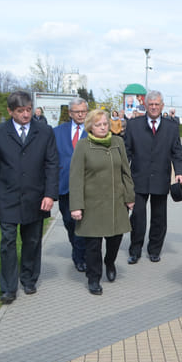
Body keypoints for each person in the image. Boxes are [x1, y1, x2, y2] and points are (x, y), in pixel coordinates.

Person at [0, 90, 58, 304]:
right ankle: (8, 287)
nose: (26, 115)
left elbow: (52, 164)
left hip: (36, 197)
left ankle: (29, 278)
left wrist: (50, 194)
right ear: (10, 111)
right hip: (8, 197)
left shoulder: (44, 131)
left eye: (28, 110)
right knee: (7, 242)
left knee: (32, 240)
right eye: (20, 111)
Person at [69, 110, 135, 295]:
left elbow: (125, 172)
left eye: (105, 124)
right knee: (93, 245)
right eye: (98, 125)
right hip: (92, 205)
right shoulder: (83, 146)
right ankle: (94, 278)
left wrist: (130, 197)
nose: (103, 127)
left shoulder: (118, 142)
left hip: (116, 202)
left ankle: (110, 261)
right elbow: (75, 178)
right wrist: (76, 205)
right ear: (90, 126)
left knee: (115, 239)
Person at [124, 90, 182, 264]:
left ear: (162, 106)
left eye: (156, 104)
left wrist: (180, 172)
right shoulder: (133, 125)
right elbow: (126, 152)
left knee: (159, 218)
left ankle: (154, 250)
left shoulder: (171, 127)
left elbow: (177, 152)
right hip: (138, 179)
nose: (153, 107)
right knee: (137, 217)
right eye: (150, 104)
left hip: (160, 178)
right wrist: (123, 175)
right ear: (145, 105)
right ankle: (135, 250)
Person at [53, 98, 89, 272]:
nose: (81, 114)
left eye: (83, 111)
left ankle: (81, 256)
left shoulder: (94, 131)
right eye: (77, 111)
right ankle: (77, 248)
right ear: (70, 113)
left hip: (87, 187)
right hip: (65, 185)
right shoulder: (57, 132)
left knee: (84, 223)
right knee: (69, 222)